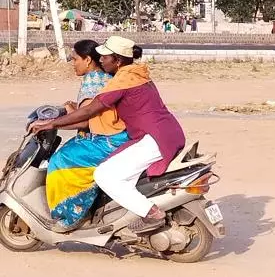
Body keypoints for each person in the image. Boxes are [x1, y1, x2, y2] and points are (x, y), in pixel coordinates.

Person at [32, 36, 186, 235]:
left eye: (105, 57)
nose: (101, 60)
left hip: (153, 138)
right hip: (166, 132)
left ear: (118, 60)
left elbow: (89, 111)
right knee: (119, 174)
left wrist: (51, 123)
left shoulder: (123, 80)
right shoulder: (138, 73)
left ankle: (151, 213)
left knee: (104, 175)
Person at [45, 40, 129, 233]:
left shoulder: (93, 80)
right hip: (111, 135)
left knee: (60, 160)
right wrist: (73, 110)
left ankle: (71, 217)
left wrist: (52, 124)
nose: (73, 63)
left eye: (75, 59)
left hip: (106, 139)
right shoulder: (105, 77)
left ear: (88, 59)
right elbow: (93, 111)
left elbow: (86, 120)